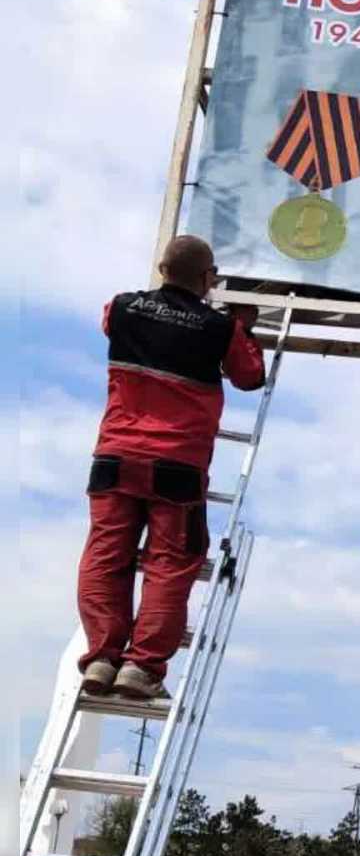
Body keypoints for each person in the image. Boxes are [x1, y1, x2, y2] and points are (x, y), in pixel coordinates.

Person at [76, 237, 264, 702]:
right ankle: (140, 667)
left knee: (106, 557)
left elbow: (109, 322)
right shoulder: (218, 329)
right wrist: (242, 327)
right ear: (207, 279)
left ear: (161, 268)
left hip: (114, 459)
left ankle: (102, 657)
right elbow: (249, 377)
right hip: (176, 466)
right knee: (171, 563)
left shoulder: (121, 307)